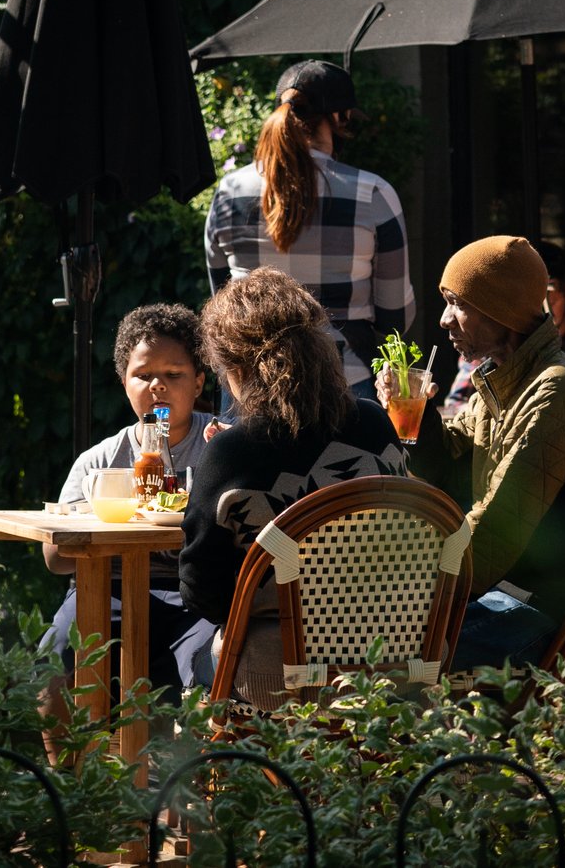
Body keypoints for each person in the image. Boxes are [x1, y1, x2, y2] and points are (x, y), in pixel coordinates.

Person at [384, 237, 565, 670]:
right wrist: (416, 416)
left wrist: (401, 581)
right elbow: (454, 457)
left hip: (555, 607)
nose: (444, 320)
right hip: (515, 586)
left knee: (393, 652)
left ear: (502, 310)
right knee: (386, 632)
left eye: (457, 304)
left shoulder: (557, 386)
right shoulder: (506, 376)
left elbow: (499, 530)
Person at [180, 269, 407, 709]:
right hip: (393, 663)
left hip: (280, 676)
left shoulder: (233, 452)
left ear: (238, 368)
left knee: (184, 661)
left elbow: (200, 590)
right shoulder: (378, 425)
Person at [40, 302, 219, 706]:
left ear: (198, 383)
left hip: (192, 595)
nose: (158, 385)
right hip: (106, 590)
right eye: (143, 375)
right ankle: (70, 771)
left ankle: (186, 768)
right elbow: (54, 558)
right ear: (124, 383)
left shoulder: (216, 450)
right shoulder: (100, 461)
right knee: (51, 667)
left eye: (174, 375)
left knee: (214, 668)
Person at [203, 61, 413, 399]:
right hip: (345, 385)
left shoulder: (229, 191)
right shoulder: (373, 194)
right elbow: (395, 316)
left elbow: (224, 299)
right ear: (339, 117)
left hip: (249, 387)